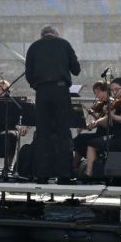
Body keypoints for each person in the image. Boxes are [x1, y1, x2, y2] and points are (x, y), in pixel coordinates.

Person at [25, 25, 80, 182]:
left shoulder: (34, 47)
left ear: (42, 35)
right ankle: (64, 174)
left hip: (42, 92)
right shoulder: (64, 44)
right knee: (63, 132)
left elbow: (28, 74)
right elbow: (76, 69)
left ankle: (42, 174)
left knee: (42, 133)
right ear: (56, 34)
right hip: (61, 91)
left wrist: (37, 86)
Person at [83, 77, 121, 180]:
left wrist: (110, 113)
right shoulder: (118, 103)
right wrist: (104, 114)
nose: (114, 92)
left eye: (117, 89)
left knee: (92, 144)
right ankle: (92, 173)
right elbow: (110, 123)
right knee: (92, 142)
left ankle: (89, 174)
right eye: (112, 90)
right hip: (117, 136)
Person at [0, 79, 28, 175]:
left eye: (6, 89)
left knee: (11, 135)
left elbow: (24, 115)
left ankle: (7, 168)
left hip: (11, 128)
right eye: (1, 89)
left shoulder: (14, 103)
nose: (4, 91)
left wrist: (24, 125)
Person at [73, 81, 109, 171]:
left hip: (107, 134)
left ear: (106, 90)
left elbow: (104, 121)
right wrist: (87, 124)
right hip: (100, 133)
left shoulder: (110, 104)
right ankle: (77, 164)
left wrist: (93, 115)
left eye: (98, 93)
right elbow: (98, 120)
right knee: (79, 139)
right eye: (95, 94)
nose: (97, 96)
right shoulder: (102, 104)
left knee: (80, 139)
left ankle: (77, 165)